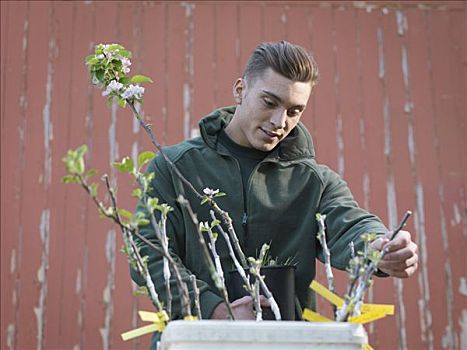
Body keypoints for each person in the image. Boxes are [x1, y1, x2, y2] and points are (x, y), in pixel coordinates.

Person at [131, 40, 418, 335]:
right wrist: (215, 309)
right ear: (240, 90)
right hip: (193, 341)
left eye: (295, 111)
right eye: (269, 102)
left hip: (288, 342)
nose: (280, 121)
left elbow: (350, 224)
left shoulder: (313, 182)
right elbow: (146, 253)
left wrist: (380, 247)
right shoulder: (173, 168)